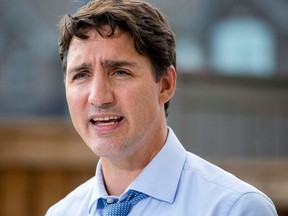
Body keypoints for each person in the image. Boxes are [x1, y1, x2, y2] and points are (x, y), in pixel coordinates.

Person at [46, 0, 278, 215]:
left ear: (166, 84)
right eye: (81, 75)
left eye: (119, 72)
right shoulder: (61, 213)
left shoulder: (234, 209)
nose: (99, 97)